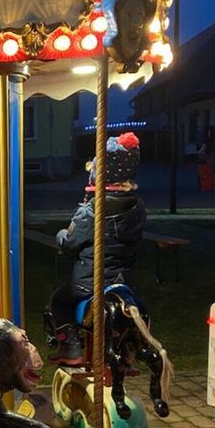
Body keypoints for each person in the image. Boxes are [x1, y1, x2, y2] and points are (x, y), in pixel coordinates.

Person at [49, 132, 147, 364]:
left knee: (59, 301)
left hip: (90, 283)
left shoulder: (92, 210)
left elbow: (71, 242)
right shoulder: (138, 206)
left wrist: (61, 235)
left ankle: (71, 347)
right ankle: (127, 347)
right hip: (124, 281)